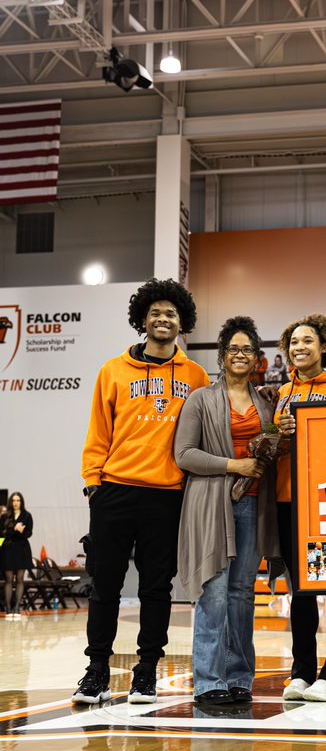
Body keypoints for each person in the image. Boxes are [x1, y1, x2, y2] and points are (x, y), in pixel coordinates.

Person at [72, 279, 209, 705]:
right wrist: (94, 484)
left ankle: (146, 671)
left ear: (182, 322)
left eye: (171, 313)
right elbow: (98, 432)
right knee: (104, 586)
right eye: (155, 313)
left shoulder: (196, 375)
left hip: (167, 496)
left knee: (156, 588)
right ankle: (96, 669)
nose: (163, 319)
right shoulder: (112, 371)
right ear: (142, 320)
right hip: (114, 491)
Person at [173, 316, 280, 707]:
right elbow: (184, 455)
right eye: (233, 348)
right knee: (214, 593)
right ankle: (207, 680)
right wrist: (235, 466)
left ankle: (239, 678)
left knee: (241, 594)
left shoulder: (266, 401)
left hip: (254, 505)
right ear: (221, 355)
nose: (240, 355)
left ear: (257, 358)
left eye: (247, 349)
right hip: (210, 506)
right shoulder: (200, 399)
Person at [273, 313, 326, 702]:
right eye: (294, 342)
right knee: (299, 589)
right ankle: (301, 670)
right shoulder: (283, 392)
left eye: (308, 341)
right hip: (287, 501)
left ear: (323, 347)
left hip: (324, 501)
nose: (299, 348)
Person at [1, 492, 33, 620]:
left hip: (22, 550)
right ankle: (8, 607)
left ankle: (17, 607)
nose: (16, 503)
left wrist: (22, 531)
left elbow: (29, 533)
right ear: (10, 502)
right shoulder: (4, 516)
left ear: (21, 502)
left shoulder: (27, 515)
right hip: (8, 549)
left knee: (20, 579)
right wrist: (14, 528)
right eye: (13, 500)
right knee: (9, 579)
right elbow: (1, 534)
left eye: (18, 500)